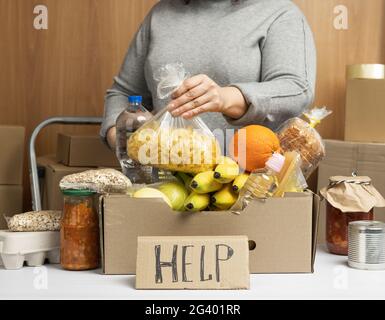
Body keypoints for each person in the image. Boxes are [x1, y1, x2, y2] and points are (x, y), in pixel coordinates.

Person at [101, 0, 316, 149]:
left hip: (250, 184)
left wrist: (226, 98)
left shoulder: (279, 13)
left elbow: (296, 89)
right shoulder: (160, 15)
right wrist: (120, 139)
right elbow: (124, 93)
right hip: (162, 182)